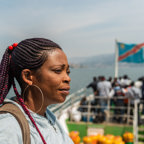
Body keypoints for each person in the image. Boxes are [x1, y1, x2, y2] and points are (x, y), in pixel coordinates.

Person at [0, 38, 74, 144]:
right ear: (28, 76)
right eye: (58, 70)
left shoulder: (48, 116)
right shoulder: (9, 127)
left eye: (67, 72)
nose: (67, 78)